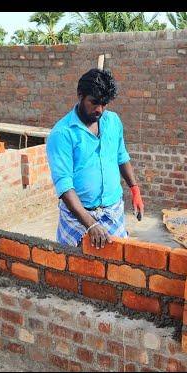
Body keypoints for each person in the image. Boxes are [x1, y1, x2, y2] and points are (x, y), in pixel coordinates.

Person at [46, 68, 144, 249]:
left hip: (113, 211)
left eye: (104, 104)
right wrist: (90, 223)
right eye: (94, 102)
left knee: (116, 268)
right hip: (78, 217)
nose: (99, 109)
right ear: (80, 95)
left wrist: (135, 189)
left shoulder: (113, 121)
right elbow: (64, 185)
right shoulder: (62, 134)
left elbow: (121, 156)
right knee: (75, 268)